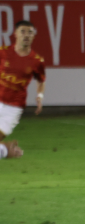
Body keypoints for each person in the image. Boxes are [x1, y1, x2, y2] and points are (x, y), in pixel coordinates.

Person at [0, 21, 46, 161]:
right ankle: (5, 150)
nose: (26, 35)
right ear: (15, 34)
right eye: (23, 31)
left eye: (30, 32)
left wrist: (39, 96)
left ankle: (5, 150)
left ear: (34, 36)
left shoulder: (37, 61)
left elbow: (41, 80)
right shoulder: (3, 52)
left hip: (13, 109)